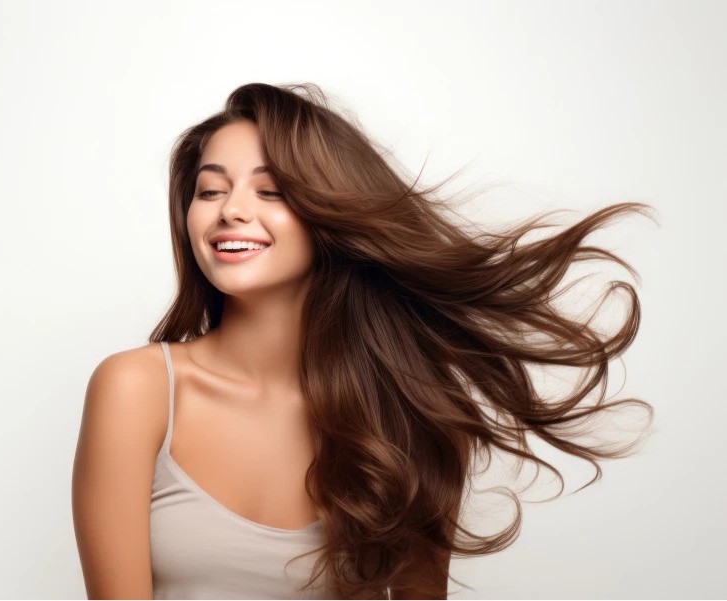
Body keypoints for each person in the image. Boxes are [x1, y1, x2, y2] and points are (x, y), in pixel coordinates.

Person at [71, 82, 654, 600]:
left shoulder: (410, 410)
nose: (232, 211)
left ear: (330, 215)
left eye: (271, 191)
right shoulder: (137, 389)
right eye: (209, 191)